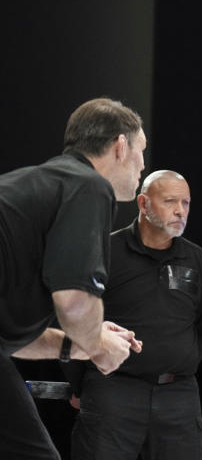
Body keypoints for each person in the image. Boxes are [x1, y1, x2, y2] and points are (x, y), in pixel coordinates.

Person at [0, 97, 146, 459]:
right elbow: (75, 301)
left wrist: (76, 345)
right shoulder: (89, 186)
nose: (144, 165)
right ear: (121, 146)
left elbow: (9, 339)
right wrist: (98, 344)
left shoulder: (37, 185)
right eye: (142, 150)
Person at [71, 170, 202, 460]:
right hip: (113, 390)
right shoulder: (104, 251)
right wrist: (80, 386)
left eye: (186, 203)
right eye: (170, 201)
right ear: (143, 203)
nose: (180, 211)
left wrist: (176, 365)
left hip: (178, 397)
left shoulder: (198, 260)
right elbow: (73, 321)